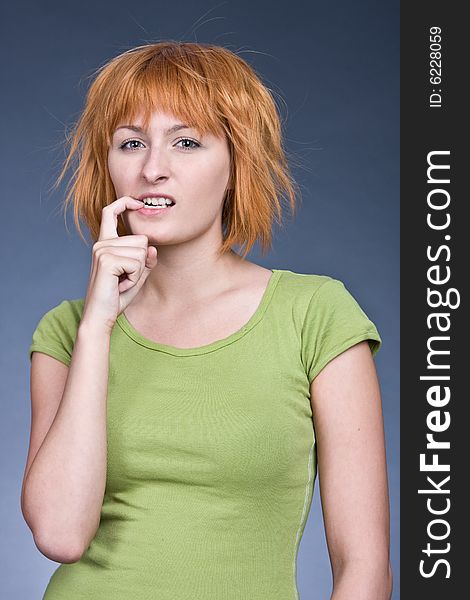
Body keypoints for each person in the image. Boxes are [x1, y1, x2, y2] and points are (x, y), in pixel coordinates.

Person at [21, 41, 393, 599]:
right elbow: (60, 534)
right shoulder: (67, 330)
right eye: (131, 143)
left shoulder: (315, 316)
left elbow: (365, 566)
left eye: (186, 142)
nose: (152, 169)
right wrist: (97, 329)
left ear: (236, 161)